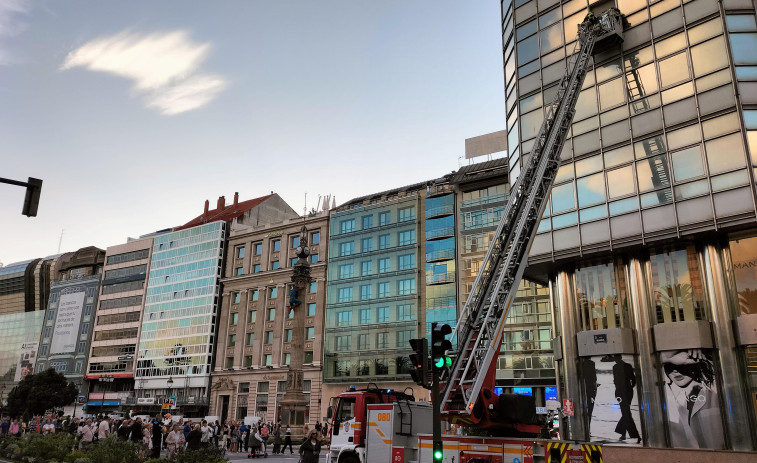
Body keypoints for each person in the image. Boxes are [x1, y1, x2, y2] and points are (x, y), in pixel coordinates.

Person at [662, 349, 724, 449]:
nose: (675, 370)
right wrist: (667, 358)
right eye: (669, 365)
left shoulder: (714, 389)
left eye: (682, 365)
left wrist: (696, 345)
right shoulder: (661, 393)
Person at [610, 355, 641, 443]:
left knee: (626, 414)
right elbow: (633, 379)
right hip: (628, 391)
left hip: (620, 392)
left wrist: (618, 393)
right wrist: (630, 386)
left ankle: (633, 435)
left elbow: (616, 381)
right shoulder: (628, 366)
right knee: (626, 413)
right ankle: (624, 433)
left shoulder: (615, 367)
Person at [579, 357, 598, 434]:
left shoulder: (579, 364)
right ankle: (587, 428)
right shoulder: (591, 363)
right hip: (590, 390)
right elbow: (594, 377)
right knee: (589, 410)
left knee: (583, 410)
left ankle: (584, 428)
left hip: (582, 390)